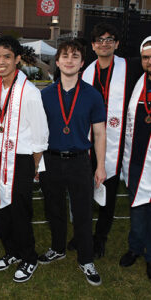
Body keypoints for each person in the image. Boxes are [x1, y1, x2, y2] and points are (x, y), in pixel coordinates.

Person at [39, 40, 106, 286]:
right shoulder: (45, 94)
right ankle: (58, 247)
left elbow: (99, 133)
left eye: (75, 56)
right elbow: (37, 133)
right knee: (53, 209)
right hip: (51, 160)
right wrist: (37, 164)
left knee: (83, 213)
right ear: (57, 62)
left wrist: (100, 166)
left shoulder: (92, 95)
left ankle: (86, 259)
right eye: (65, 56)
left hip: (80, 161)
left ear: (81, 63)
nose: (69, 60)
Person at [79, 23, 143, 258]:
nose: (104, 44)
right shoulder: (84, 70)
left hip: (116, 142)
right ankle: (82, 234)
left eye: (110, 39)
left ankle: (100, 238)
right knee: (84, 192)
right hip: (88, 141)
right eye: (99, 40)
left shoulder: (131, 67)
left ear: (117, 44)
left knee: (108, 192)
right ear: (93, 45)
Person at [0, 36, 49, 283]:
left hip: (22, 160)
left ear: (17, 59)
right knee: (2, 211)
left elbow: (40, 135)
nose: (0, 62)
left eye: (6, 57)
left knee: (20, 212)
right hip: (0, 157)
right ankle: (12, 251)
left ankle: (29, 258)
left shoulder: (30, 93)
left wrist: (32, 167)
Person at [119, 36, 151, 280]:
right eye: (146, 57)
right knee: (137, 207)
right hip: (137, 158)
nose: (149, 62)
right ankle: (134, 248)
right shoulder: (136, 83)